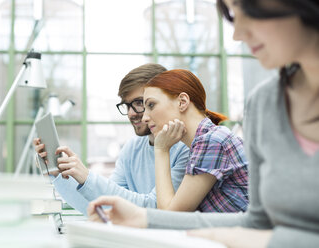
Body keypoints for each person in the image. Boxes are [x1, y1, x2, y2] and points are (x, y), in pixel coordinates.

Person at [88, 0, 319, 247]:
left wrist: (256, 240)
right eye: (233, 16)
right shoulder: (264, 104)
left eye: (250, 11)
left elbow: (256, 232)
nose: (237, 33)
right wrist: (142, 218)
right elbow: (256, 222)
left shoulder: (212, 139)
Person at [33, 63, 190, 215]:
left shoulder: (187, 149)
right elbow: (105, 206)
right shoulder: (131, 149)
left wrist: (87, 177)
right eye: (127, 105)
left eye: (139, 103)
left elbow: (154, 209)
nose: (130, 113)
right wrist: (60, 174)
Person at [141, 69, 248, 212]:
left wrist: (161, 150)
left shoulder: (212, 142)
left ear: (182, 102)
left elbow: (170, 216)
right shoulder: (207, 141)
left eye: (151, 105)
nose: (144, 118)